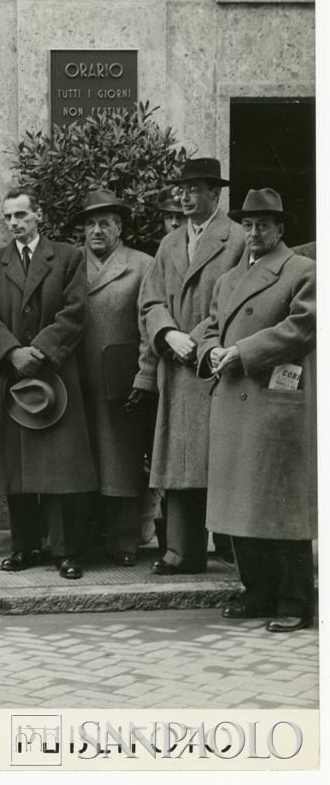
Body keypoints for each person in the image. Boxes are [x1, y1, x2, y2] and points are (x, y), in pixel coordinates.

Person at [197, 189, 315, 632]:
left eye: (263, 224)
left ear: (281, 228)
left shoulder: (302, 271)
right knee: (239, 506)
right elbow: (209, 326)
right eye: (247, 225)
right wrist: (209, 352)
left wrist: (241, 351)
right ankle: (257, 591)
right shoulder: (227, 280)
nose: (253, 232)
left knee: (280, 506)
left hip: (273, 402)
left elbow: (302, 328)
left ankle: (294, 601)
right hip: (233, 399)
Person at [0, 187, 98, 580]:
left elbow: (75, 312)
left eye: (22, 215)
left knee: (58, 466)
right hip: (10, 377)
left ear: (38, 215)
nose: (15, 223)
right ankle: (24, 546)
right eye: (9, 217)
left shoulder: (67, 257)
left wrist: (39, 351)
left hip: (55, 375)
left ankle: (66, 550)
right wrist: (12, 353)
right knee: (16, 465)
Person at [139, 158, 246, 575]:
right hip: (175, 365)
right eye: (181, 189)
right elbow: (150, 301)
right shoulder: (169, 244)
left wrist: (195, 338)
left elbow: (235, 300)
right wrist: (167, 334)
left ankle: (233, 547)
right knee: (181, 461)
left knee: (221, 460)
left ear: (215, 194)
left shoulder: (235, 238)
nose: (183, 196)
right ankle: (182, 552)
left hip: (215, 365)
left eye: (194, 189)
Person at [69, 189, 157, 566]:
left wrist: (145, 373)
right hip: (76, 379)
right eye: (90, 223)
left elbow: (149, 322)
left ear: (119, 226)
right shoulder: (70, 264)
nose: (97, 230)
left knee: (120, 459)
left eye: (105, 222)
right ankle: (88, 541)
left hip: (121, 378)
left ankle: (125, 541)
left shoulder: (142, 264)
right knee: (82, 461)